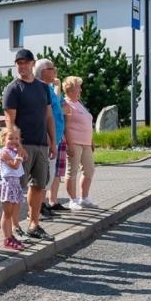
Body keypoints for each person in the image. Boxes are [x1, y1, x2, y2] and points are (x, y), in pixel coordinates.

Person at [2, 48, 56, 240]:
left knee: (39, 186)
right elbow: (10, 121)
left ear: (33, 64)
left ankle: (34, 224)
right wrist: (18, 146)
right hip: (22, 146)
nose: (22, 66)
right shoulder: (13, 88)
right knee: (18, 187)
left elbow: (48, 116)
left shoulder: (43, 88)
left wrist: (53, 141)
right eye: (19, 63)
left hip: (41, 144)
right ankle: (15, 226)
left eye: (26, 62)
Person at [61, 76, 95, 208]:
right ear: (70, 90)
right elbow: (67, 127)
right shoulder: (66, 104)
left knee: (89, 170)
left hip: (86, 143)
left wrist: (91, 141)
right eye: (78, 87)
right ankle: (72, 200)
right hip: (74, 142)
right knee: (72, 171)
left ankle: (84, 198)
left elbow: (87, 123)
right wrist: (69, 144)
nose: (80, 90)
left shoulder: (79, 103)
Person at [37, 59, 67, 212]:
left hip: (56, 135)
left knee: (50, 173)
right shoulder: (41, 88)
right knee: (44, 174)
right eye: (52, 69)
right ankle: (40, 206)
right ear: (43, 71)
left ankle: (44, 205)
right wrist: (50, 138)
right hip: (48, 137)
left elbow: (61, 108)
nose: (55, 72)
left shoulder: (47, 87)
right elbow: (44, 115)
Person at [0, 127, 27, 252]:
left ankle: (10, 236)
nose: (14, 141)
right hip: (8, 184)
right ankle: (6, 238)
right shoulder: (3, 152)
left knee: (12, 212)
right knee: (7, 213)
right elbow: (14, 166)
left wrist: (19, 149)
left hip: (15, 183)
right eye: (10, 138)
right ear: (3, 140)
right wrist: (19, 155)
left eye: (16, 138)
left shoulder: (15, 151)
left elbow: (26, 157)